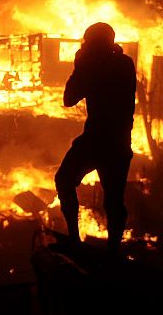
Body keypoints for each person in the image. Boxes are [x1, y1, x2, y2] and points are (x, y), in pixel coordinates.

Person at [54, 22, 136, 254]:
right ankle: (113, 250)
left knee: (64, 180)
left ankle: (74, 239)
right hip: (119, 143)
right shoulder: (125, 63)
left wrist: (79, 65)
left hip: (96, 140)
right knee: (114, 201)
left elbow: (69, 99)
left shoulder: (92, 66)